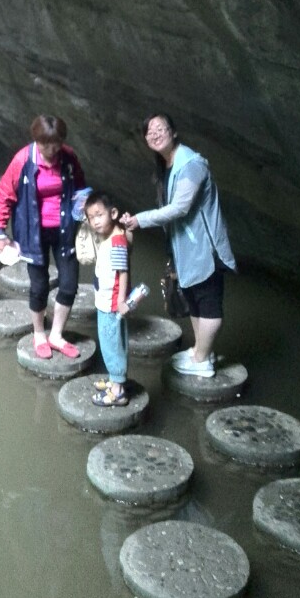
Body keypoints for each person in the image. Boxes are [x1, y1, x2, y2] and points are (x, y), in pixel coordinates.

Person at [121, 113, 235, 377]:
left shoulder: (192, 164)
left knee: (208, 304)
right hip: (187, 249)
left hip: (205, 249)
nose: (155, 134)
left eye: (160, 129)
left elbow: (180, 208)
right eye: (150, 132)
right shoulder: (168, 165)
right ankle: (200, 351)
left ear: (173, 132)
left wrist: (140, 220)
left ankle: (203, 362)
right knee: (193, 299)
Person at [0, 115, 85, 359]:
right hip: (32, 232)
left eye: (56, 144)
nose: (52, 150)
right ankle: (39, 334)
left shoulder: (68, 157)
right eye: (46, 145)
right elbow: (5, 193)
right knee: (39, 285)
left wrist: (86, 208)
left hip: (64, 230)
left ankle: (57, 334)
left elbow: (80, 186)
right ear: (36, 141)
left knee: (69, 284)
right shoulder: (23, 159)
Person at [84, 191, 130, 407]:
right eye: (91, 217)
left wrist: (121, 301)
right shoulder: (111, 237)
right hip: (105, 301)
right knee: (108, 342)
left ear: (113, 213)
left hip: (112, 305)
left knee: (113, 345)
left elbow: (123, 272)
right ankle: (114, 380)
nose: (95, 221)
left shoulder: (117, 241)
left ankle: (118, 391)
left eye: (99, 215)